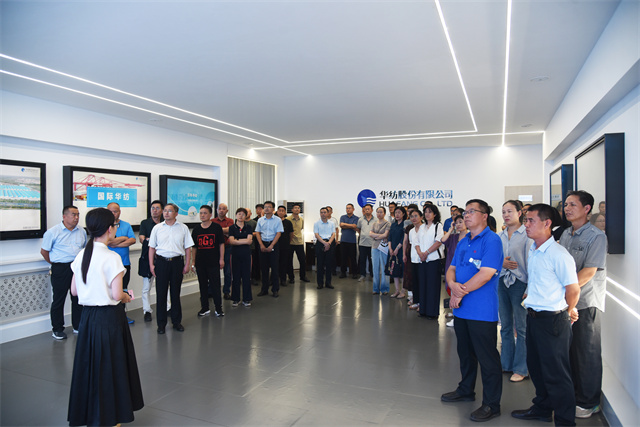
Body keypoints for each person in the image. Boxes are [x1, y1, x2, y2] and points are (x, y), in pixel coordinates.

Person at [68, 208, 143, 426]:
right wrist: (127, 297)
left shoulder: (82, 255)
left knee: (90, 366)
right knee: (112, 367)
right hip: (109, 318)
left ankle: (92, 415)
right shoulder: (111, 257)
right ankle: (111, 418)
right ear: (110, 229)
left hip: (87, 318)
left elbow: (74, 291)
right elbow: (117, 295)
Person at [511, 203, 579, 426]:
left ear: (547, 223)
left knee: (557, 374)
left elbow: (573, 289)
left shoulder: (558, 254)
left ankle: (565, 421)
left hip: (553, 320)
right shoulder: (534, 249)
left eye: (531, 220)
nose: (526, 225)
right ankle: (542, 408)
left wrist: (568, 311)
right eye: (526, 220)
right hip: (534, 317)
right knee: (537, 368)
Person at [441, 199, 503, 423]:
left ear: (484, 216)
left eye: (471, 212)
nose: (465, 215)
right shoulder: (464, 240)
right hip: (462, 311)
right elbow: (451, 269)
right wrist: (452, 285)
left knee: (487, 358)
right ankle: (466, 389)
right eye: (465, 212)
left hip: (481, 311)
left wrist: (458, 293)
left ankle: (492, 404)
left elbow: (486, 274)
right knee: (465, 354)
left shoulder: (492, 240)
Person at [560, 190, 607, 419]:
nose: (567, 208)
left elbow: (589, 271)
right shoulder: (566, 234)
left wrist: (565, 291)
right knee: (570, 351)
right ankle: (574, 395)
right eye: (566, 205)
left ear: (587, 209)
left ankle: (589, 402)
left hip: (586, 302)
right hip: (567, 301)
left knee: (586, 352)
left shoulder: (596, 236)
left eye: (572, 205)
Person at [497, 200, 532, 382]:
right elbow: (494, 259)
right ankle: (506, 363)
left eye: (510, 211)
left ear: (519, 213)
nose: (506, 215)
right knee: (505, 326)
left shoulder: (527, 234)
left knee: (522, 327)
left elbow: (531, 263)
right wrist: (501, 263)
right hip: (502, 281)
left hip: (520, 283)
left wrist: (530, 287)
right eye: (503, 212)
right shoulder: (500, 236)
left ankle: (521, 368)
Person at [41, 205, 87, 340]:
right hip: (60, 268)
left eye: (78, 215)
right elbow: (44, 252)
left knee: (78, 299)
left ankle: (78, 326)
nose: (76, 217)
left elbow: (84, 249)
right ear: (64, 216)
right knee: (59, 300)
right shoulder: (52, 232)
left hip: (77, 268)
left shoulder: (82, 231)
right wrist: (55, 264)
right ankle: (57, 329)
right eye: (73, 215)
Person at [148, 203, 194, 334]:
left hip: (177, 263)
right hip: (161, 263)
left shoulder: (183, 228)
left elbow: (188, 248)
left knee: (175, 293)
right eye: (165, 211)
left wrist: (187, 264)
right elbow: (151, 247)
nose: (166, 213)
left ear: (176, 213)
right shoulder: (157, 228)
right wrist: (151, 265)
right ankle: (161, 324)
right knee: (161, 294)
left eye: (170, 211)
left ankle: (176, 321)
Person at [138, 200, 170, 322]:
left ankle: (168, 308)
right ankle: (147, 310)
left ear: (162, 210)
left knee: (165, 285)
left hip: (162, 259)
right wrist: (153, 243)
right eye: (152, 208)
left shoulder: (166, 223)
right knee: (146, 287)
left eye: (157, 208)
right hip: (147, 259)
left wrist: (150, 240)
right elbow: (142, 239)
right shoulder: (145, 223)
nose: (154, 210)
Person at [191, 205, 225, 318]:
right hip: (201, 263)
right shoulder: (196, 229)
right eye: (201, 213)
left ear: (210, 215)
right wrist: (193, 262)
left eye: (205, 213)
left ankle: (218, 308)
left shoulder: (216, 227)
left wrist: (221, 259)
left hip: (213, 262)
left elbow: (221, 244)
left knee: (215, 286)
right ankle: (204, 308)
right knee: (203, 286)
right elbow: (194, 247)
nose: (202, 215)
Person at [106, 202, 137, 324]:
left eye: (116, 211)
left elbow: (132, 240)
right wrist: (123, 238)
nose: (114, 213)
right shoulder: (104, 226)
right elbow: (108, 242)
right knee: (109, 291)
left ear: (120, 212)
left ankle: (122, 316)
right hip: (109, 265)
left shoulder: (126, 225)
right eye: (111, 211)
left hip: (124, 264)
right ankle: (111, 317)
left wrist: (116, 243)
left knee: (123, 290)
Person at [416, 204, 444, 319]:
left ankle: (432, 312)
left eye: (430, 212)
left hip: (433, 260)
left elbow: (438, 242)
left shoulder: (438, 226)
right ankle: (423, 310)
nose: (427, 214)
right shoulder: (422, 227)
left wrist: (426, 253)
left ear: (435, 214)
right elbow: (416, 242)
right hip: (422, 260)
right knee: (422, 285)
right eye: (425, 212)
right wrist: (420, 253)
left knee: (433, 286)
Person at [441, 213, 468, 326]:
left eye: (461, 222)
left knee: (463, 291)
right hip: (452, 268)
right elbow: (443, 240)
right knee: (452, 291)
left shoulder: (470, 237)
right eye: (456, 223)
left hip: (464, 269)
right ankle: (455, 315)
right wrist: (450, 229)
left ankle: (462, 316)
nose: (458, 225)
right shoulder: (453, 237)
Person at [255, 201, 283, 297]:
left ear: (273, 209)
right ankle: (264, 289)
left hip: (273, 244)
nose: (267, 208)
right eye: (265, 207)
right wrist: (261, 245)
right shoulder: (260, 220)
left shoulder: (277, 220)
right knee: (264, 268)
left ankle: (275, 289)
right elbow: (257, 233)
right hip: (263, 244)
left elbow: (279, 233)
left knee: (274, 268)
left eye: (269, 207)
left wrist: (272, 245)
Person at [228, 208, 253, 307]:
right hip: (235, 254)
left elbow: (249, 241)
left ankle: (246, 299)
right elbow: (231, 241)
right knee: (235, 277)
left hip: (246, 254)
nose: (241, 216)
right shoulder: (232, 228)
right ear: (236, 215)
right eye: (239, 214)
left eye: (243, 214)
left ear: (245, 216)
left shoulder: (249, 227)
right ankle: (235, 299)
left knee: (246, 276)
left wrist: (237, 240)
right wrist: (243, 240)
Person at [212, 203, 234, 300]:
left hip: (227, 247)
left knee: (227, 271)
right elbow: (213, 232)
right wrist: (224, 231)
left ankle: (226, 291)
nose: (221, 210)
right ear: (217, 210)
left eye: (223, 209)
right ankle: (212, 291)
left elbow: (230, 231)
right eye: (219, 208)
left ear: (227, 211)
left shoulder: (230, 221)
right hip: (214, 249)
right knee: (213, 271)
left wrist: (218, 230)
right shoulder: (212, 221)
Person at [313, 207, 336, 289]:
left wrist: (329, 243)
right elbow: (316, 234)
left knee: (329, 264)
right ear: (320, 214)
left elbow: (333, 234)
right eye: (321, 212)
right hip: (320, 243)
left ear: (328, 213)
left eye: (324, 212)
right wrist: (324, 243)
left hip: (330, 243)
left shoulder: (332, 223)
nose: (323, 214)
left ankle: (328, 283)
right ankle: (320, 283)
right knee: (320, 264)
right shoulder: (316, 223)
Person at [370, 206, 391, 295]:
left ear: (384, 213)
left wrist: (375, 236)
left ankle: (384, 288)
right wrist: (380, 236)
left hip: (383, 248)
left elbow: (385, 235)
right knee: (375, 268)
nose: (379, 214)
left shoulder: (388, 224)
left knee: (384, 268)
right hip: (374, 247)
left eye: (381, 212)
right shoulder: (374, 223)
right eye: (378, 212)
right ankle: (375, 288)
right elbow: (370, 233)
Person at [407, 209, 425, 311]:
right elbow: (411, 244)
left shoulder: (425, 229)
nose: (413, 218)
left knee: (423, 282)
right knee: (415, 281)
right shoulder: (411, 231)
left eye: (416, 216)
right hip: (414, 258)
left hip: (423, 259)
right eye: (411, 216)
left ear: (421, 217)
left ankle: (423, 303)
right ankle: (417, 301)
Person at [288, 203, 310, 283]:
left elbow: (300, 229)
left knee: (302, 260)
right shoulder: (288, 219)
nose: (297, 209)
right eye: (295, 208)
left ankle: (303, 276)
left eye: (298, 208)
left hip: (299, 242)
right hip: (290, 243)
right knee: (289, 261)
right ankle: (291, 277)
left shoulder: (301, 219)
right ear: (292, 210)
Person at [388, 206, 407, 298]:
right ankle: (396, 290)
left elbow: (403, 239)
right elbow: (390, 237)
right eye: (396, 212)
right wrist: (390, 248)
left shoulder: (405, 225)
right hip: (392, 251)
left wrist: (397, 248)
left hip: (401, 251)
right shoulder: (393, 225)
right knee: (394, 270)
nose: (397, 214)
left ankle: (403, 291)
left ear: (403, 214)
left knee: (402, 271)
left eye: (399, 212)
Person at [339, 203, 359, 279]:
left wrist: (345, 225)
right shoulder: (342, 217)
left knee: (353, 258)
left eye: (349, 208)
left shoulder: (356, 218)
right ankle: (343, 273)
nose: (348, 209)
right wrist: (351, 226)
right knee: (343, 258)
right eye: (347, 208)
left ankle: (354, 273)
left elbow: (355, 226)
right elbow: (341, 225)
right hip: (343, 241)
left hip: (352, 241)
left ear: (353, 209)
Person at [277, 205, 295, 286]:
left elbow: (291, 234)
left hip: (285, 246)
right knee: (275, 263)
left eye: (282, 211)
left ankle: (283, 279)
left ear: (285, 212)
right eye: (279, 210)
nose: (281, 212)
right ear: (277, 212)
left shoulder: (288, 222)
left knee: (284, 263)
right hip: (275, 245)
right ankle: (273, 279)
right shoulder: (274, 221)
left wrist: (288, 242)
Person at [357, 204, 375, 281]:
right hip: (362, 243)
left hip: (372, 243)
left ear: (372, 210)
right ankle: (362, 275)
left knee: (372, 260)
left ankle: (372, 275)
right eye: (366, 209)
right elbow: (358, 229)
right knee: (362, 260)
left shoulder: (376, 220)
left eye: (368, 209)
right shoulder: (360, 220)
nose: (367, 210)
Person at [251, 204, 264, 285]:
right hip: (255, 243)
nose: (258, 211)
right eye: (257, 209)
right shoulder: (254, 221)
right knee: (255, 260)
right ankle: (256, 276)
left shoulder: (267, 219)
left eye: (260, 209)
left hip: (265, 242)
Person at [326, 206, 340, 276]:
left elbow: (337, 230)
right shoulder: (321, 219)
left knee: (332, 255)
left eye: (329, 211)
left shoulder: (334, 220)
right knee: (324, 256)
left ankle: (333, 270)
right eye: (326, 210)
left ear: (331, 212)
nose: (327, 212)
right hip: (324, 240)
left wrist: (337, 239)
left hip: (332, 240)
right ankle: (325, 270)